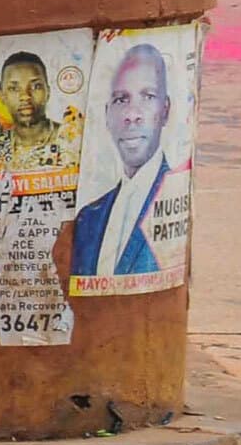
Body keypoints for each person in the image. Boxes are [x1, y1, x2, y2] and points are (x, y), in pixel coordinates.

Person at [71, 44, 175, 279]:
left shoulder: (173, 195)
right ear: (107, 114)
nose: (132, 114)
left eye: (148, 97)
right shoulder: (89, 218)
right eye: (121, 99)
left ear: (165, 109)